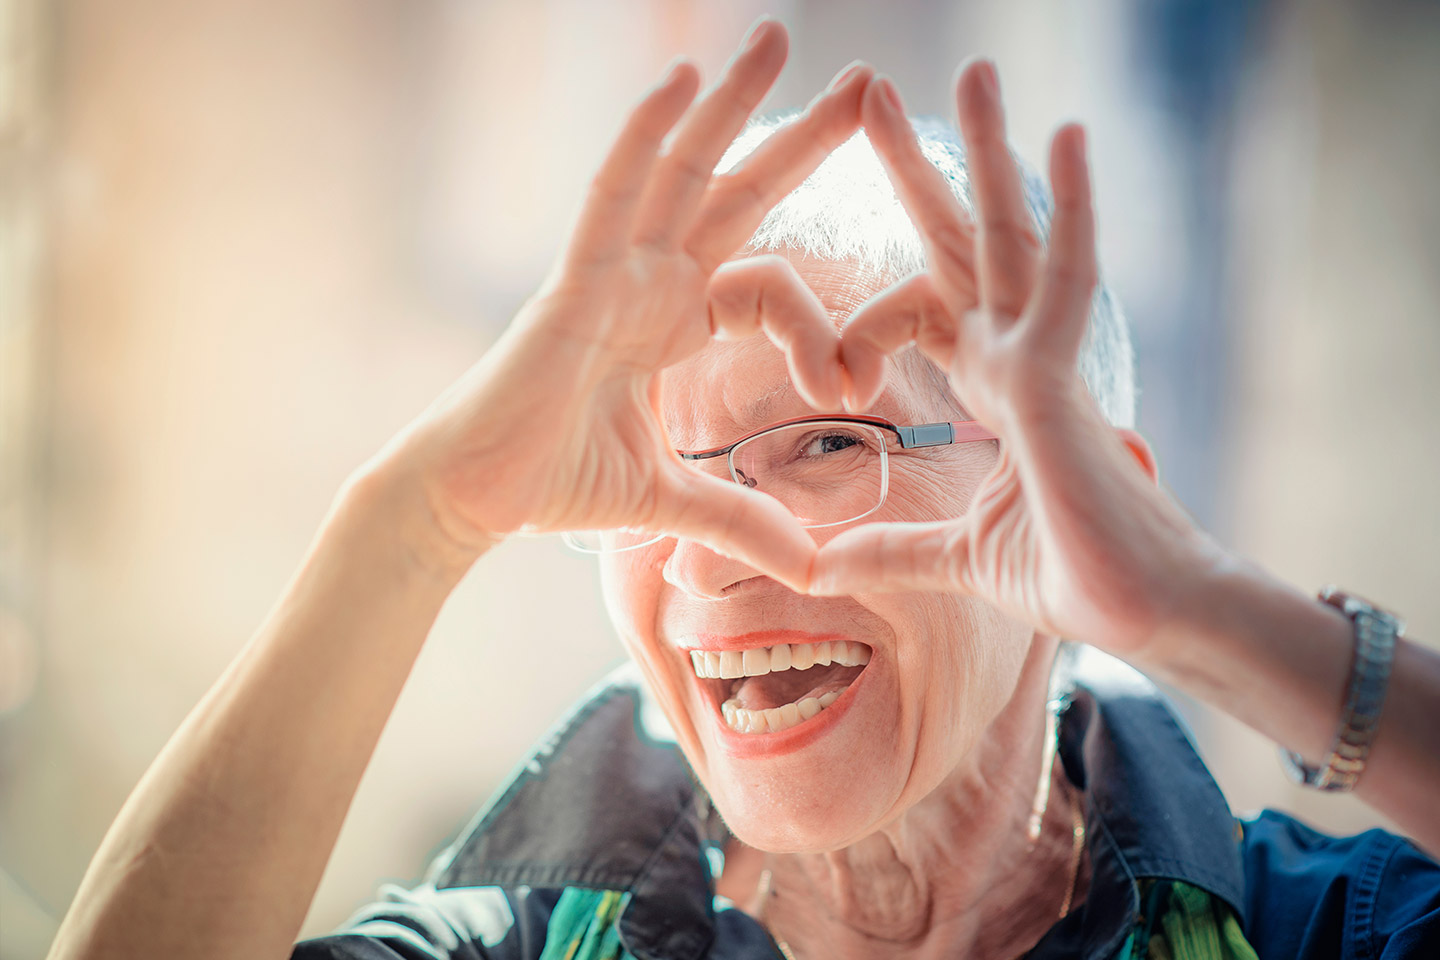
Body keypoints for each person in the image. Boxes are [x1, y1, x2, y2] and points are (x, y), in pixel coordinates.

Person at [45, 18, 1440, 960]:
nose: (710, 559)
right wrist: (415, 526)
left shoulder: (1319, 931)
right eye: (655, 476)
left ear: (1092, 509)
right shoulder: (515, 941)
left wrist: (1202, 607)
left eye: (831, 443)